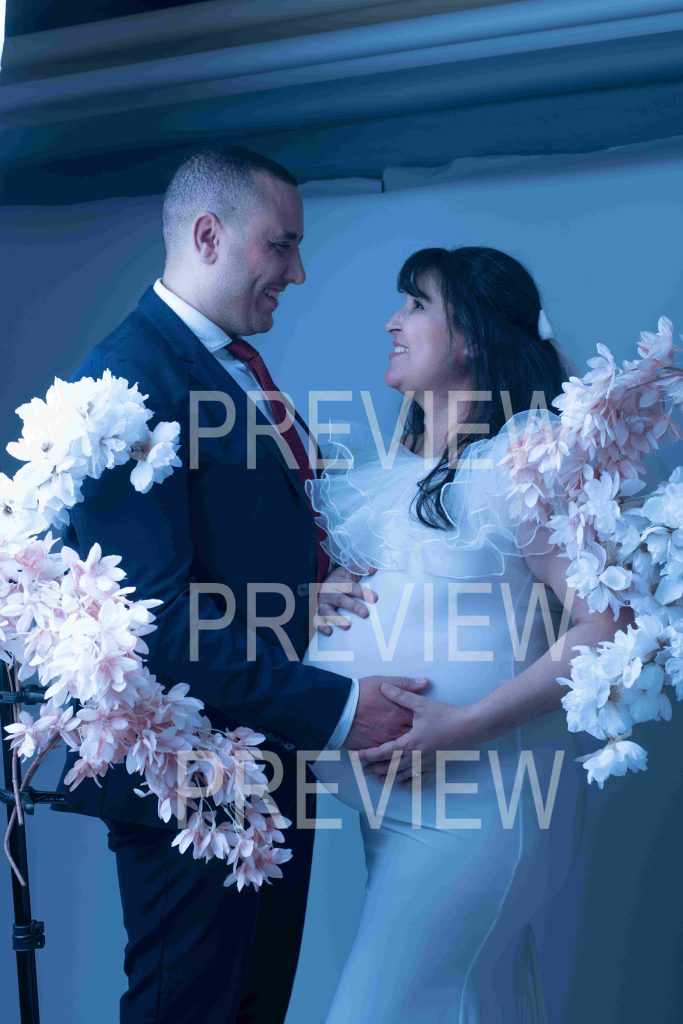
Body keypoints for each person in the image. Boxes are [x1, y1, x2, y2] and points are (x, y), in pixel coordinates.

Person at [51, 146, 429, 1024]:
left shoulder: (227, 367)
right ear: (208, 236)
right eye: (281, 245)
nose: (298, 273)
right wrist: (340, 708)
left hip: (266, 763)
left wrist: (315, 592)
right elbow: (155, 619)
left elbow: (237, 559)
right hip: (192, 777)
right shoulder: (125, 384)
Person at [304, 246, 633, 1022]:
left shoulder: (526, 463)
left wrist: (461, 725)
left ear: (473, 337)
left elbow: (610, 621)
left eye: (416, 304)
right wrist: (322, 600)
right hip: (398, 810)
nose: (392, 322)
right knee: (472, 1007)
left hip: (479, 801)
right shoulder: (399, 473)